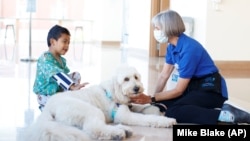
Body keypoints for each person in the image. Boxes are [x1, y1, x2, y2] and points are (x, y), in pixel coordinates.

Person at [130, 9, 250, 125]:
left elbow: (179, 90)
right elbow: (163, 75)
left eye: (157, 28)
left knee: (173, 111)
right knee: (162, 103)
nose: (155, 31)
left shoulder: (189, 49)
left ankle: (226, 115)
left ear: (167, 27)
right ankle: (212, 111)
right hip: (194, 87)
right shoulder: (171, 47)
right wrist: (152, 100)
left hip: (211, 90)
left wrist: (151, 98)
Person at [33, 24, 89, 111]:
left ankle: (68, 97)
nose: (67, 46)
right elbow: (57, 74)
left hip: (56, 89)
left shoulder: (61, 59)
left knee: (76, 75)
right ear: (52, 42)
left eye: (68, 43)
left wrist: (72, 86)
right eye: (64, 41)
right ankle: (50, 105)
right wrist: (72, 87)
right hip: (45, 94)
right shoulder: (45, 58)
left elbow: (63, 75)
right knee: (60, 103)